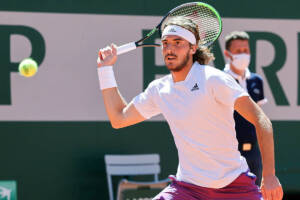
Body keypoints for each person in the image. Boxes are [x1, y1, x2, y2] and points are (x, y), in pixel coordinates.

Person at [97, 16, 283, 200]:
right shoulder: (159, 90)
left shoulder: (213, 79)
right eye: (166, 43)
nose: (170, 48)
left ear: (193, 48)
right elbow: (119, 118)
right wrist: (105, 70)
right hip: (188, 188)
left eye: (178, 42)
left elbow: (261, 120)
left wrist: (269, 175)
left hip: (233, 187)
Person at [223, 31, 268, 187]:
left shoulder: (256, 80)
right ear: (227, 54)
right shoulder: (220, 80)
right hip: (227, 153)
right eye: (238, 51)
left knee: (255, 194)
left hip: (253, 152)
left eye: (246, 51)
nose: (243, 54)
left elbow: (260, 119)